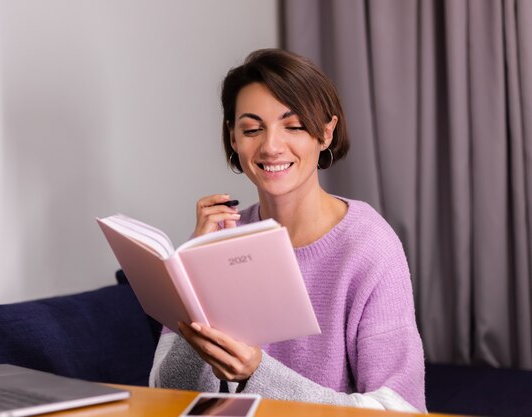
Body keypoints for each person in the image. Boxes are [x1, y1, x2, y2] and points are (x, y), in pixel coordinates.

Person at [148, 48, 426, 413]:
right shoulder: (215, 239)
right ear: (233, 138)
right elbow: (166, 394)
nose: (271, 146)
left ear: (326, 133)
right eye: (251, 129)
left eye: (293, 126)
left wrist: (257, 373)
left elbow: (399, 408)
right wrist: (193, 278)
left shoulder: (368, 245)